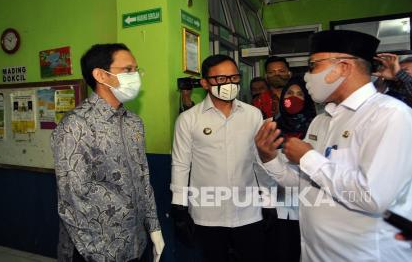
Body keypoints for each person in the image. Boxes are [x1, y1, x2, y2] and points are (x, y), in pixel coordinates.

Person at [255, 30, 412, 261]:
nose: (307, 76)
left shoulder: (390, 115)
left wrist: (308, 157)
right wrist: (269, 157)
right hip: (315, 253)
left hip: (364, 255)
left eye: (313, 66)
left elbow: (375, 197)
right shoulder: (321, 121)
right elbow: (304, 185)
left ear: (343, 67)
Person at [51, 43, 164, 262]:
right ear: (101, 75)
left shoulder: (133, 123)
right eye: (127, 70)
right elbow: (71, 199)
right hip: (94, 250)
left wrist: (154, 228)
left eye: (136, 69)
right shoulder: (76, 125)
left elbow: (143, 179)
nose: (135, 76)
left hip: (135, 244)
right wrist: (95, 251)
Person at [170, 54, 266, 262]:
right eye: (221, 79)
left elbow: (259, 161)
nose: (229, 83)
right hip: (207, 214)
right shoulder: (188, 119)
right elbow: (180, 164)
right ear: (205, 83)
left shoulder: (253, 115)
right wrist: (179, 207)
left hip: (248, 211)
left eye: (234, 77)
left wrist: (268, 200)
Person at [260, 77, 317, 262]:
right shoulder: (271, 126)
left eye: (300, 94)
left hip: (309, 211)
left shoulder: (317, 127)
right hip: (278, 210)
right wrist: (267, 203)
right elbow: (260, 168)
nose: (294, 98)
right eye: (290, 94)